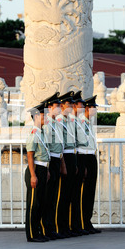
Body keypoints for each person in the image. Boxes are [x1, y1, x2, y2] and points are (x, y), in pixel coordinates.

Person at [41, 92, 67, 240]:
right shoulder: (46, 126)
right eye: (57, 106)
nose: (59, 108)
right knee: (48, 197)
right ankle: (47, 228)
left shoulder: (57, 124)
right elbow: (46, 147)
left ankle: (52, 227)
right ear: (50, 107)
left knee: (54, 197)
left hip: (57, 160)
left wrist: (62, 164)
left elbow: (60, 146)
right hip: (49, 162)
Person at [24, 102, 50, 242]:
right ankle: (32, 234)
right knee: (33, 204)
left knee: (40, 203)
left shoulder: (41, 133)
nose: (46, 118)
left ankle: (38, 231)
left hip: (42, 169)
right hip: (35, 170)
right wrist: (33, 175)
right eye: (44, 115)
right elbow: (30, 155)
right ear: (36, 117)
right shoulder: (34, 133)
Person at [55, 91, 78, 238]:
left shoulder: (69, 121)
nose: (71, 106)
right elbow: (60, 145)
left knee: (69, 194)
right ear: (62, 105)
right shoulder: (58, 121)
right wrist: (63, 164)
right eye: (69, 104)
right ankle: (59, 226)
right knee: (61, 195)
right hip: (63, 157)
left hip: (71, 156)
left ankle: (67, 226)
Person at [78, 95, 101, 234]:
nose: (95, 110)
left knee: (90, 191)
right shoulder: (80, 123)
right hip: (84, 158)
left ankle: (87, 221)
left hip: (91, 157)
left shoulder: (88, 123)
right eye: (93, 107)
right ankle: (82, 222)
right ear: (87, 108)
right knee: (84, 193)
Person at [70, 90, 88, 236]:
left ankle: (77, 225)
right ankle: (70, 226)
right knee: (71, 195)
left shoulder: (77, 121)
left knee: (76, 195)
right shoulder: (69, 121)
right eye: (81, 104)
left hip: (78, 157)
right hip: (72, 158)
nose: (83, 107)